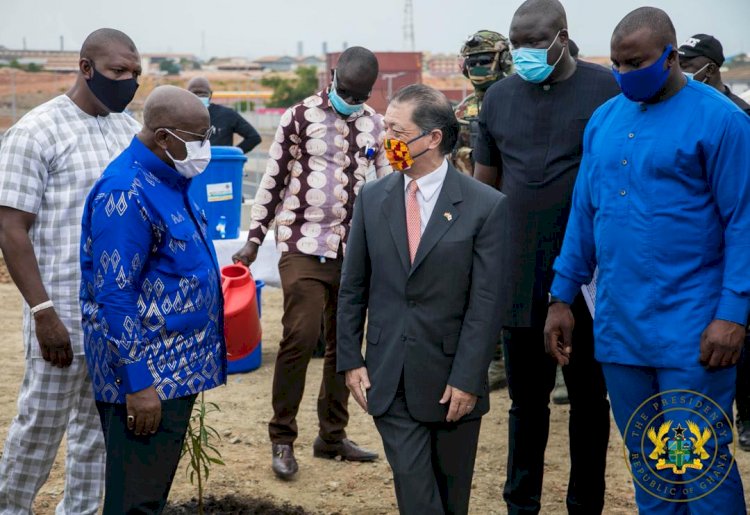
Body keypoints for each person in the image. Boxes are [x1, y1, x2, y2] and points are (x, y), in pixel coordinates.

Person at [545, 7, 750, 513]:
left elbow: (744, 222)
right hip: (622, 326)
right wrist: (561, 296)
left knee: (696, 457)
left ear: (671, 56)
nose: (624, 75)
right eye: (616, 65)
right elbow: (584, 213)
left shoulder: (722, 121)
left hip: (695, 327)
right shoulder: (604, 121)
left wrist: (733, 314)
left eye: (636, 64)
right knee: (646, 454)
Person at [473, 1, 619, 512]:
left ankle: (586, 504)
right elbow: (484, 190)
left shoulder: (607, 91)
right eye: (518, 44)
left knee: (587, 401)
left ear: (562, 37)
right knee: (525, 403)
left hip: (589, 279)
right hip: (519, 276)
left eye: (536, 42)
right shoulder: (498, 99)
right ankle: (522, 504)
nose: (526, 52)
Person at [338, 83, 506, 515]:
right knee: (419, 500)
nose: (385, 139)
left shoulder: (484, 206)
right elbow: (353, 286)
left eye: (395, 129)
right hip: (389, 376)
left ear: (432, 138)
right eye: (384, 127)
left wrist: (470, 377)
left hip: (452, 381)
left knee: (452, 502)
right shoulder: (373, 198)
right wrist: (350, 359)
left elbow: (486, 303)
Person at [0, 28, 141, 514]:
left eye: (135, 74)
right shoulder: (36, 132)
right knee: (39, 429)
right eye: (118, 71)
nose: (128, 81)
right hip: (59, 316)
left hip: (115, 320)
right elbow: (10, 228)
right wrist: (43, 313)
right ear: (86, 68)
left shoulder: (128, 131)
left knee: (97, 434)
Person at [232, 46, 389, 480]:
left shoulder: (376, 125)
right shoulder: (298, 117)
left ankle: (332, 437)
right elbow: (274, 179)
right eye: (345, 91)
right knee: (300, 335)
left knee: (345, 345)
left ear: (369, 92)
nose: (350, 100)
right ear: (333, 75)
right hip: (303, 244)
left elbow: (386, 186)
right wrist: (253, 239)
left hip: (354, 252)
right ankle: (282, 437)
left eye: (359, 96)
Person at [80, 85, 227, 514]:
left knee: (150, 495)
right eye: (198, 137)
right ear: (164, 137)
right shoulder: (126, 192)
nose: (205, 147)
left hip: (175, 371)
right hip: (147, 379)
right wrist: (140, 385)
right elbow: (114, 295)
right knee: (135, 503)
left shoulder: (170, 177)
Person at [679, 33, 750, 453]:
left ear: (713, 67)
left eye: (692, 65)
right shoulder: (684, 112)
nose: (685, 73)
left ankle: (747, 417)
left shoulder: (739, 116)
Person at [452, 30, 512, 392]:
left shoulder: (520, 101)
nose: (476, 67)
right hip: (472, 213)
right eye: (471, 61)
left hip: (517, 209)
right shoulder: (460, 114)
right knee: (478, 289)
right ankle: (494, 362)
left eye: (484, 59)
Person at [678, 34, 750, 115]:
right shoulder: (680, 104)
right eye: (676, 65)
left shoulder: (741, 113)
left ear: (710, 70)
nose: (678, 72)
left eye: (683, 66)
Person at [187, 76, 262, 153]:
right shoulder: (179, 116)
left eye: (203, 94)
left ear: (211, 94)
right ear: (186, 94)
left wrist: (232, 154)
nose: (199, 96)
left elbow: (254, 138)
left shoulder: (227, 114)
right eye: (195, 93)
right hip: (190, 164)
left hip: (220, 163)